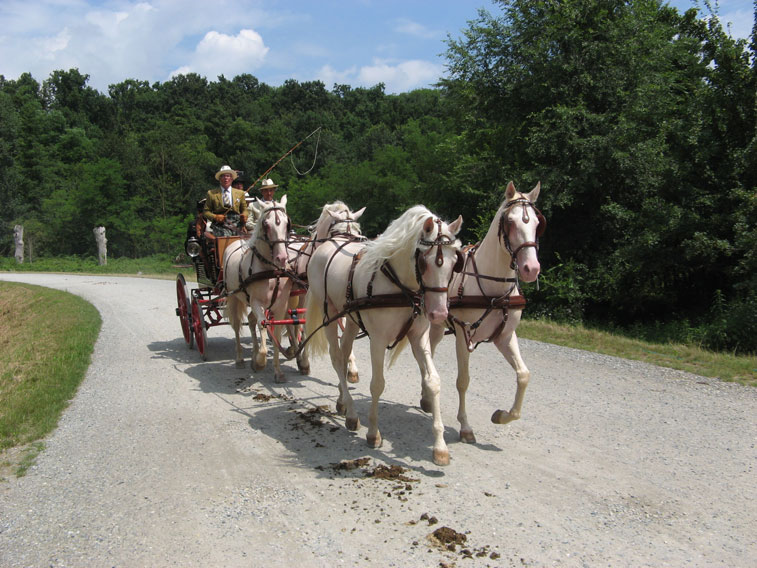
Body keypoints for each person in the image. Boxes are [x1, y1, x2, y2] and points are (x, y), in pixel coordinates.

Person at [203, 165, 249, 236]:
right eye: (223, 176)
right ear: (219, 178)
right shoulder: (211, 193)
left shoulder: (240, 193)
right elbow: (206, 212)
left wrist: (244, 216)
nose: (226, 178)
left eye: (228, 176)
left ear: (232, 178)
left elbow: (245, 209)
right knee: (225, 238)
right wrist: (215, 217)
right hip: (220, 225)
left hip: (237, 224)